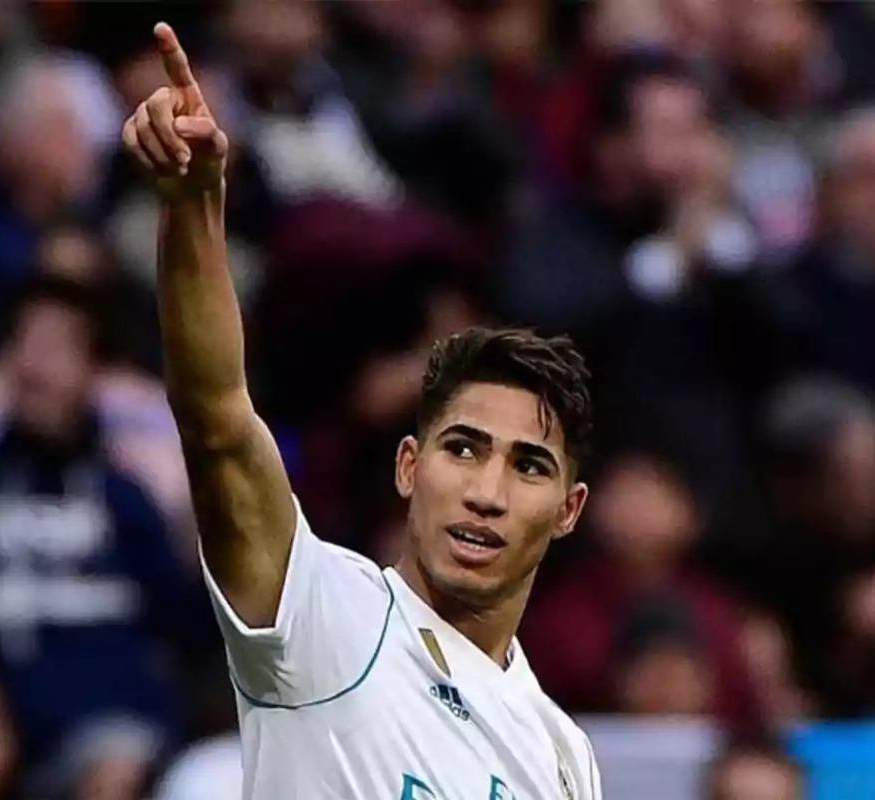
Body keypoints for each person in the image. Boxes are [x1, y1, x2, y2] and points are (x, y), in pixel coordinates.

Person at [120, 22, 601, 800]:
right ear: (409, 465)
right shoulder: (321, 615)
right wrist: (194, 207)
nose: (487, 491)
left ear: (569, 509)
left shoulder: (562, 753)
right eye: (464, 448)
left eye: (529, 465)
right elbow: (216, 420)